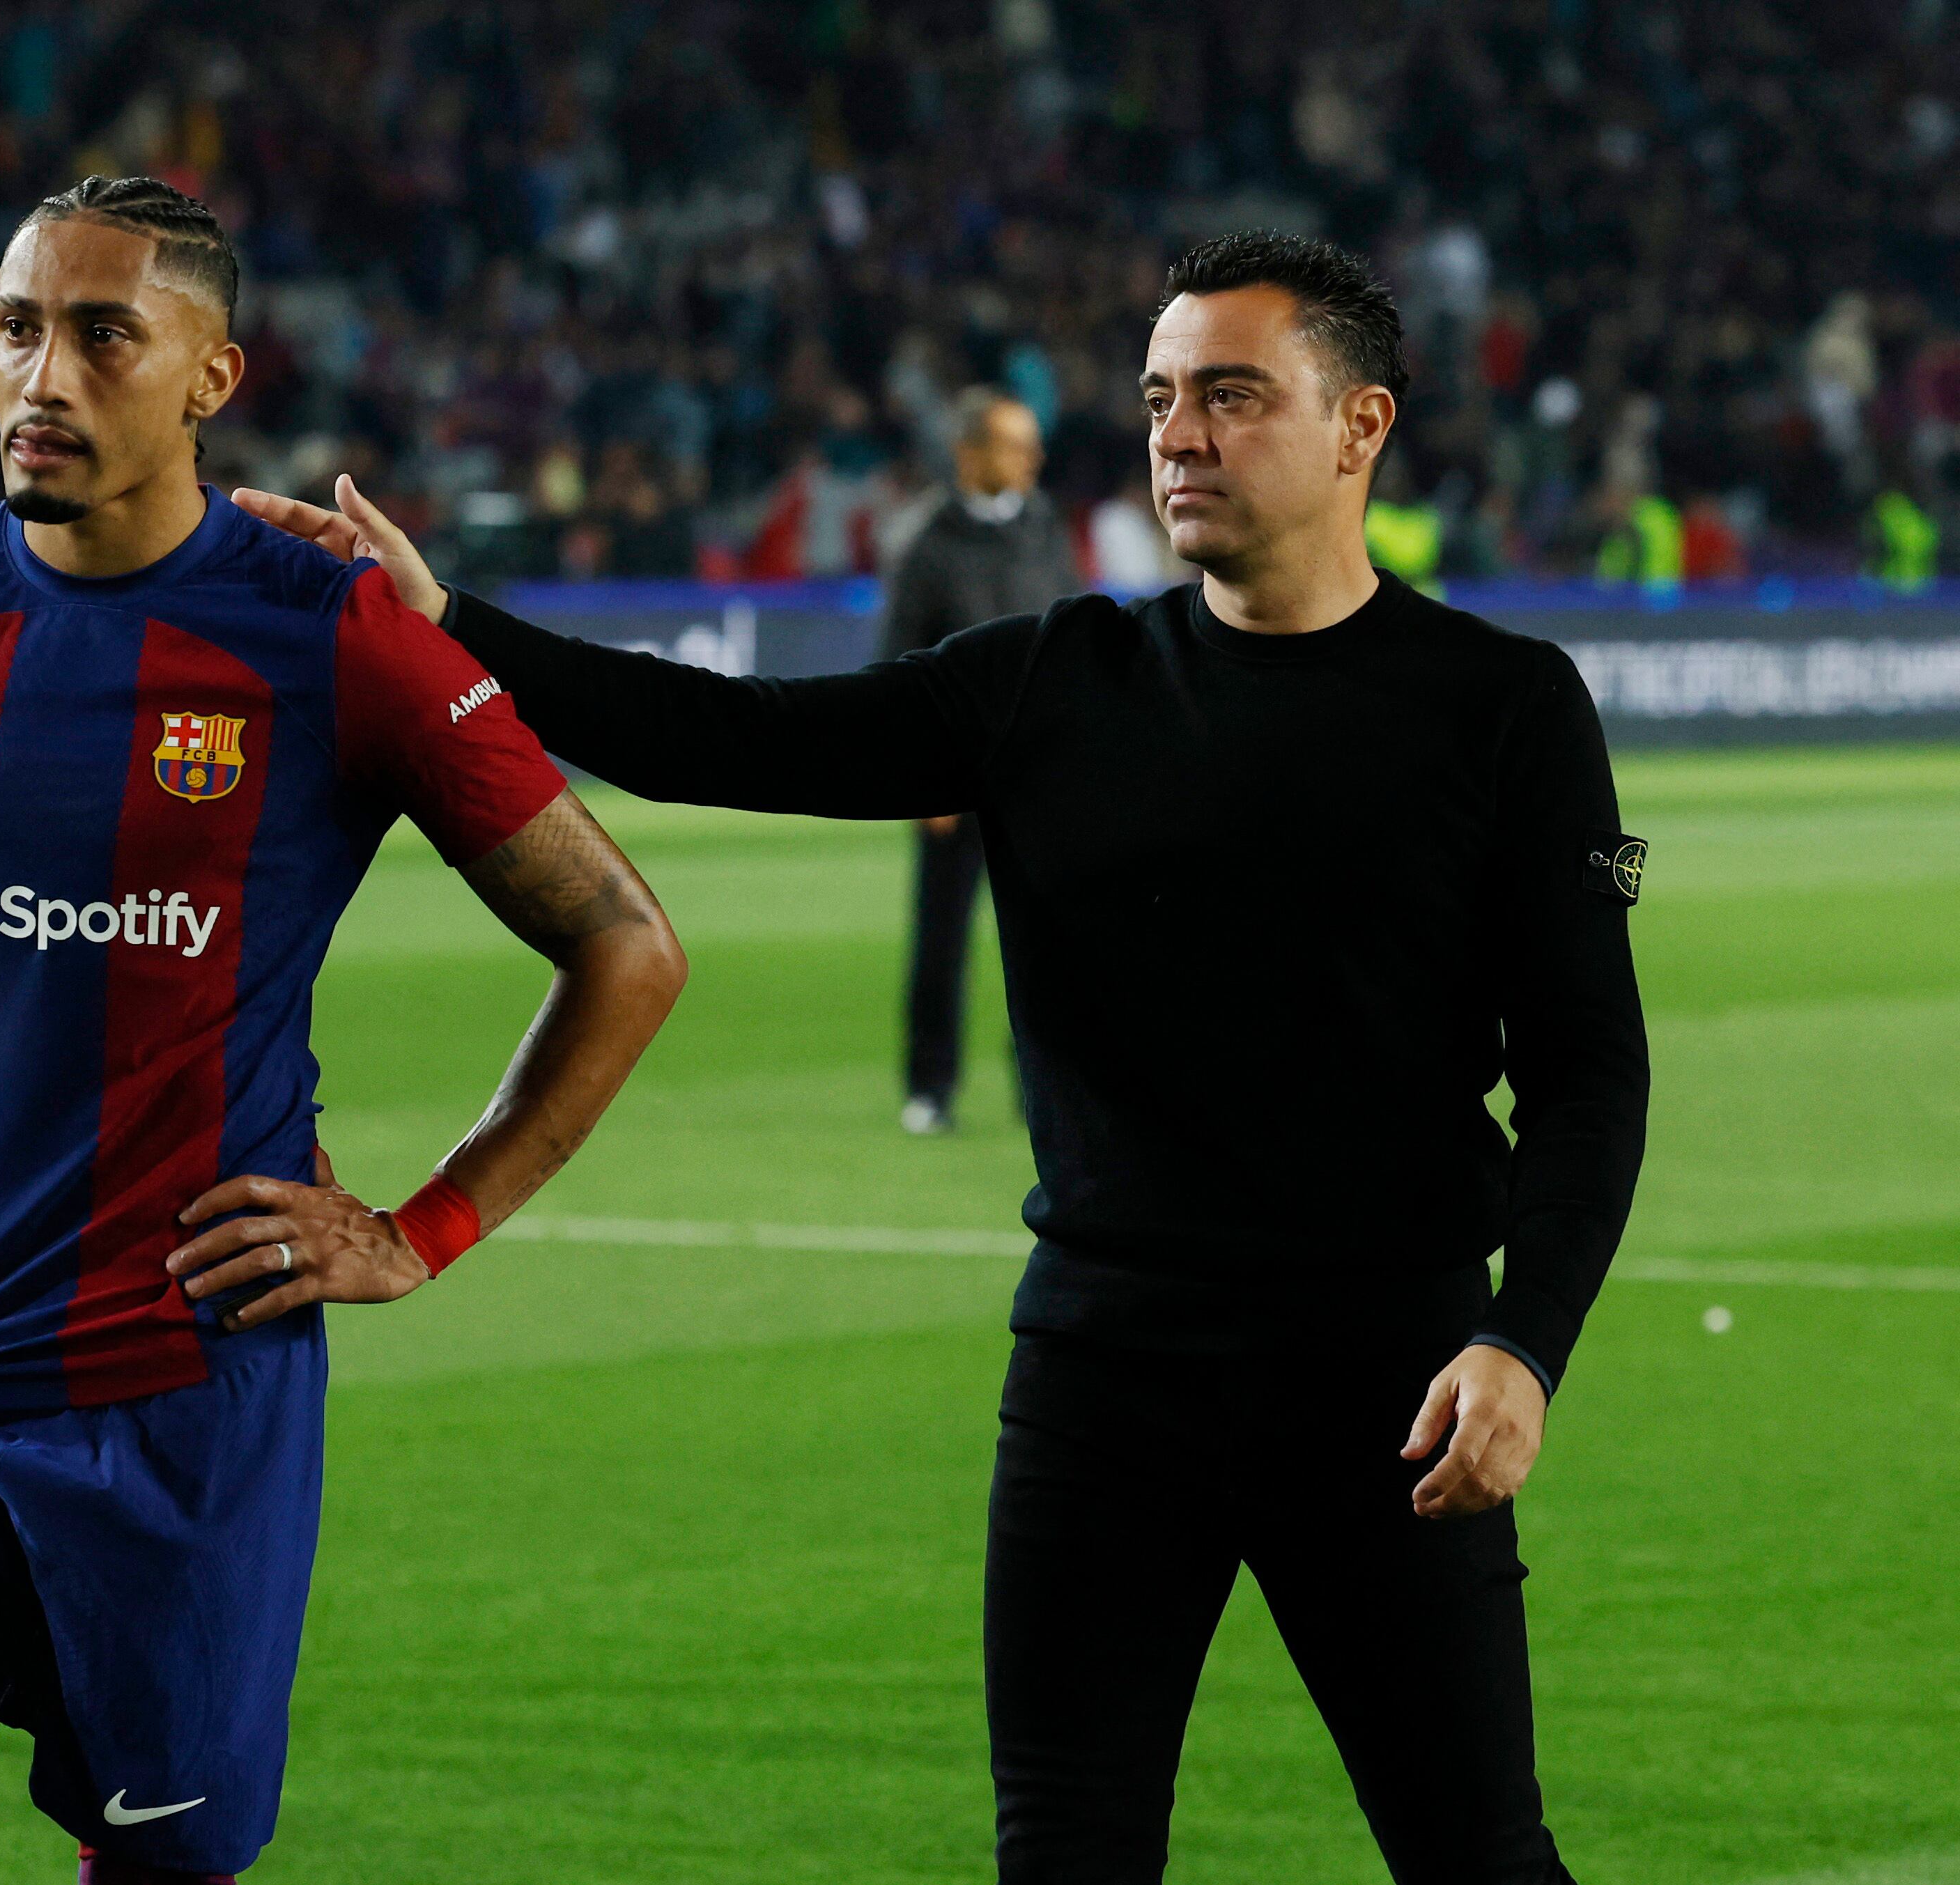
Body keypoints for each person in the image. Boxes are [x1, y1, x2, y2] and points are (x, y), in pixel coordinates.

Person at [239, 231, 1651, 1885]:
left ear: (1361, 427)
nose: (1175, 436)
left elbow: (1584, 1071)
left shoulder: (1499, 706)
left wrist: (1521, 1343)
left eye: (1228, 395)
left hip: (1387, 1385)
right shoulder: (1057, 678)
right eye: (1155, 399)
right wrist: (448, 620)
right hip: (1103, 1373)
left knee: (1475, 1854)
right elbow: (724, 738)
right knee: (1060, 1850)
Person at [0, 176, 685, 1885]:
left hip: (183, 1410)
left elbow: (622, 944)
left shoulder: (331, 639)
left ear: (211, 376)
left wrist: (421, 1229)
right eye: (13, 327)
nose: (39, 376)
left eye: (100, 334)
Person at [878, 387, 1077, 1133]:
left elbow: (1070, 635)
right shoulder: (927, 543)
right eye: (1015, 445)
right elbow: (899, 665)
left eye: (1032, 445)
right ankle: (929, 1087)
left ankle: (1043, 1089)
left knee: (1047, 947)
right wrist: (923, 776)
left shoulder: (1044, 528)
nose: (1033, 459)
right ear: (970, 455)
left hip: (1035, 778)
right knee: (942, 940)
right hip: (956, 782)